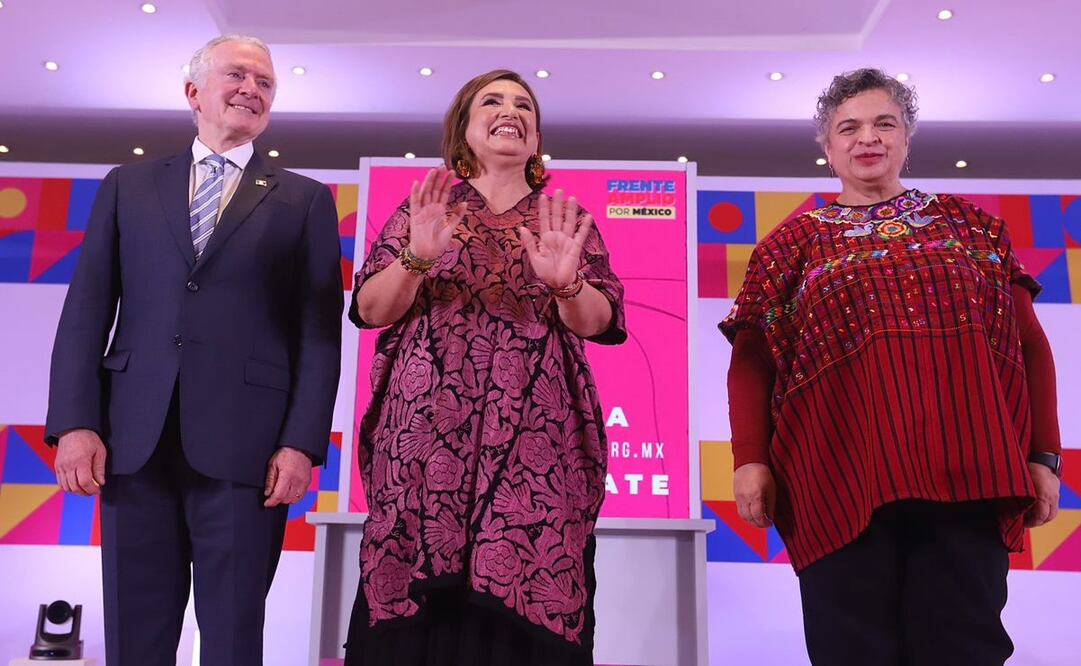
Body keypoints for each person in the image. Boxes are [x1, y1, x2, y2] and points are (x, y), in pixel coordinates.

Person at [722, 67, 1062, 666]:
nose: (868, 138)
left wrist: (1044, 456)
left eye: (884, 123)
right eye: (848, 128)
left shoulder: (971, 225)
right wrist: (750, 461)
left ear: (907, 137)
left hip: (967, 468)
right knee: (851, 649)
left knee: (963, 646)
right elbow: (751, 364)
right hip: (837, 475)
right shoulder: (789, 245)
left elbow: (1029, 344)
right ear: (827, 148)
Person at [45, 34, 342, 666]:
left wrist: (301, 444)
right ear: (193, 92)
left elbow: (318, 335)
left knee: (232, 639)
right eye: (237, 75)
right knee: (135, 636)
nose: (251, 90)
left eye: (265, 82)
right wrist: (74, 424)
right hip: (132, 443)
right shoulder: (127, 186)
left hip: (248, 451)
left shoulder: (305, 200)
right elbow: (86, 313)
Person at [344, 69, 626, 665]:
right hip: (427, 441)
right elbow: (369, 310)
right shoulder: (426, 211)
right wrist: (416, 259)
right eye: (492, 101)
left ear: (536, 135)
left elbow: (600, 321)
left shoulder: (561, 218)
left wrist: (567, 283)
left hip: (536, 446)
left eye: (524, 105)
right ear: (464, 128)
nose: (510, 111)